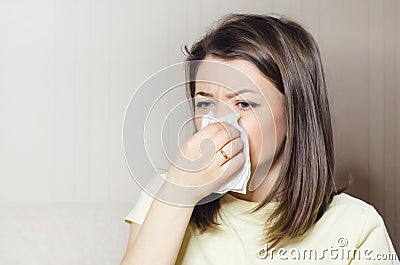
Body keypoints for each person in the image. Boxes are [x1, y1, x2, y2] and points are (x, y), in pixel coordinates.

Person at [120, 13, 399, 265]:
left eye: (243, 104)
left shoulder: (356, 226)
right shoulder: (166, 193)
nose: (220, 121)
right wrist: (177, 193)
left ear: (294, 115)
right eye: (205, 104)